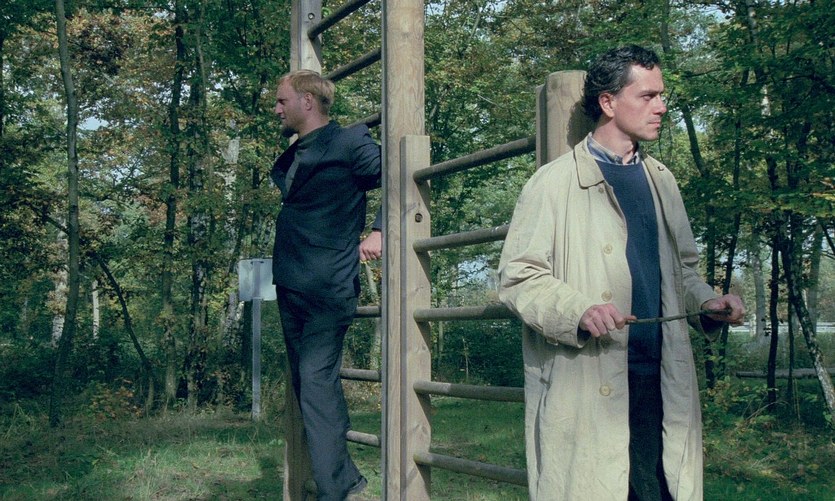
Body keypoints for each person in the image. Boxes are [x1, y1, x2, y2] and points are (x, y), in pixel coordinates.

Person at [497, 45, 745, 501]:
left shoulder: (663, 180)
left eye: (661, 96)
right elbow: (519, 277)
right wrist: (579, 310)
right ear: (608, 102)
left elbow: (683, 272)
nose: (661, 107)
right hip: (587, 384)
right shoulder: (552, 183)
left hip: (661, 382)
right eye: (648, 96)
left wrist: (707, 303)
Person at [270, 69, 382, 500]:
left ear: (307, 101)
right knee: (307, 384)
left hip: (328, 284)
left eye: (282, 101)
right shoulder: (297, 150)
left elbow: (398, 175)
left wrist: (380, 230)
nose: (276, 109)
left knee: (315, 382)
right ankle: (345, 479)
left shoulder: (350, 141)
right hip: (290, 282)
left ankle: (335, 489)